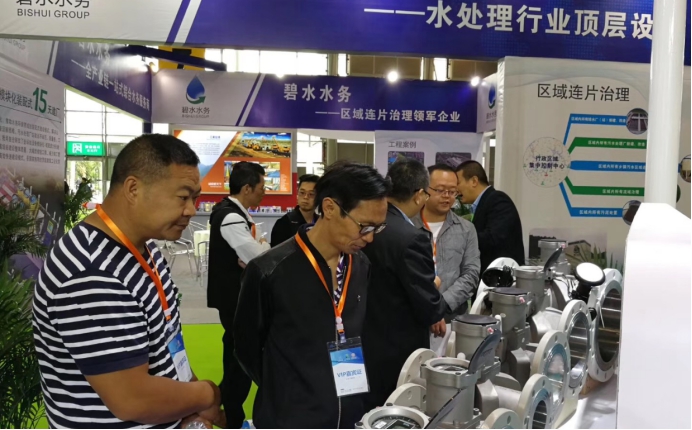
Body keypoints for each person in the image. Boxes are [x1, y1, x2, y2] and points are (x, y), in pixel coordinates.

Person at [32, 134, 222, 429]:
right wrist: (207, 394)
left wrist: (189, 406)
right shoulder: (91, 272)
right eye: (183, 197)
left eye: (194, 198)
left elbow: (166, 342)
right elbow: (133, 399)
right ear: (133, 189)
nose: (191, 210)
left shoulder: (145, 248)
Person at [234, 161, 390, 429]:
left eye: (378, 228)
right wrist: (286, 388)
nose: (370, 238)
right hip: (290, 417)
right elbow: (247, 347)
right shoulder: (270, 270)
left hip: (349, 411)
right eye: (364, 227)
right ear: (329, 208)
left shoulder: (360, 265)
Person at [361, 158, 447, 411]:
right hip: (398, 349)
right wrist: (434, 286)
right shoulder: (411, 238)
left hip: (362, 339)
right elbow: (428, 305)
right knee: (396, 412)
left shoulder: (366, 224)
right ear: (419, 195)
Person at [206, 161, 270, 428]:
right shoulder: (231, 217)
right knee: (241, 359)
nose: (264, 192)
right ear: (247, 188)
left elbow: (258, 253)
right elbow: (260, 257)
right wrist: (261, 247)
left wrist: (259, 248)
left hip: (237, 297)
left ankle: (221, 410)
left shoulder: (236, 214)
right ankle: (227, 415)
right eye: (262, 187)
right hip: (235, 298)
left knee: (237, 357)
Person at [412, 164, 481, 355]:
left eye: (452, 191)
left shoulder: (466, 229)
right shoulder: (407, 226)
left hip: (452, 321)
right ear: (424, 189)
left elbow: (471, 274)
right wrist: (428, 309)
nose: (447, 196)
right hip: (413, 321)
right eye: (440, 190)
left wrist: (439, 306)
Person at [455, 160, 525, 274]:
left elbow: (493, 238)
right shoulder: (482, 203)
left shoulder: (498, 199)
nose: (455, 189)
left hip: (502, 277)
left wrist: (457, 237)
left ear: (474, 181)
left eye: (458, 183)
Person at [270, 174, 319, 246]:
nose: (305, 197)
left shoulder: (320, 222)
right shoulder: (284, 223)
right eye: (302, 193)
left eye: (311, 194)